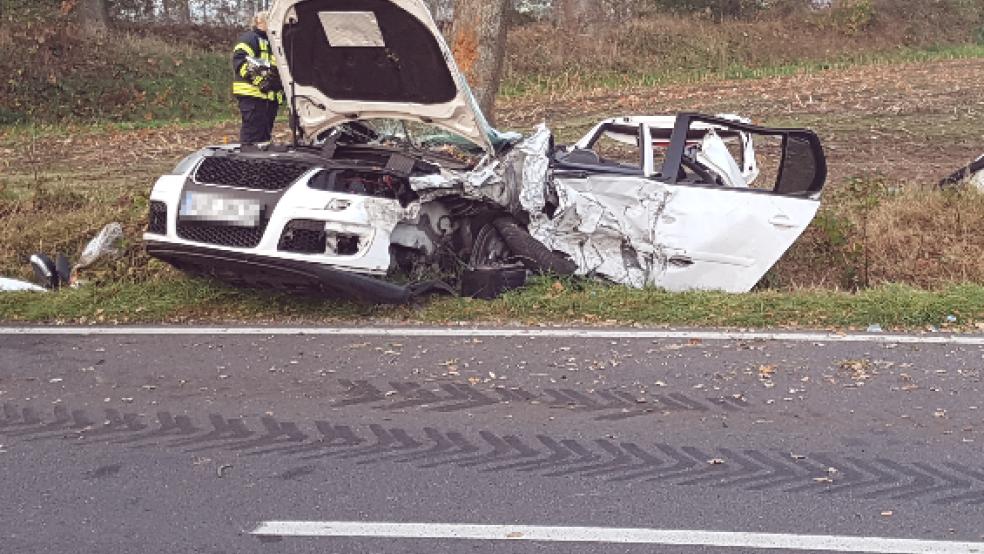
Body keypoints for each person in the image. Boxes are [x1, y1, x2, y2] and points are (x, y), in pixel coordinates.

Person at [232, 11, 284, 144]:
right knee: (252, 136)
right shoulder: (249, 39)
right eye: (270, 20)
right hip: (253, 96)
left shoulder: (274, 42)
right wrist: (261, 82)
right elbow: (241, 62)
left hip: (269, 98)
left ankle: (261, 162)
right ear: (259, 22)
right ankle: (247, 162)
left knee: (264, 138)